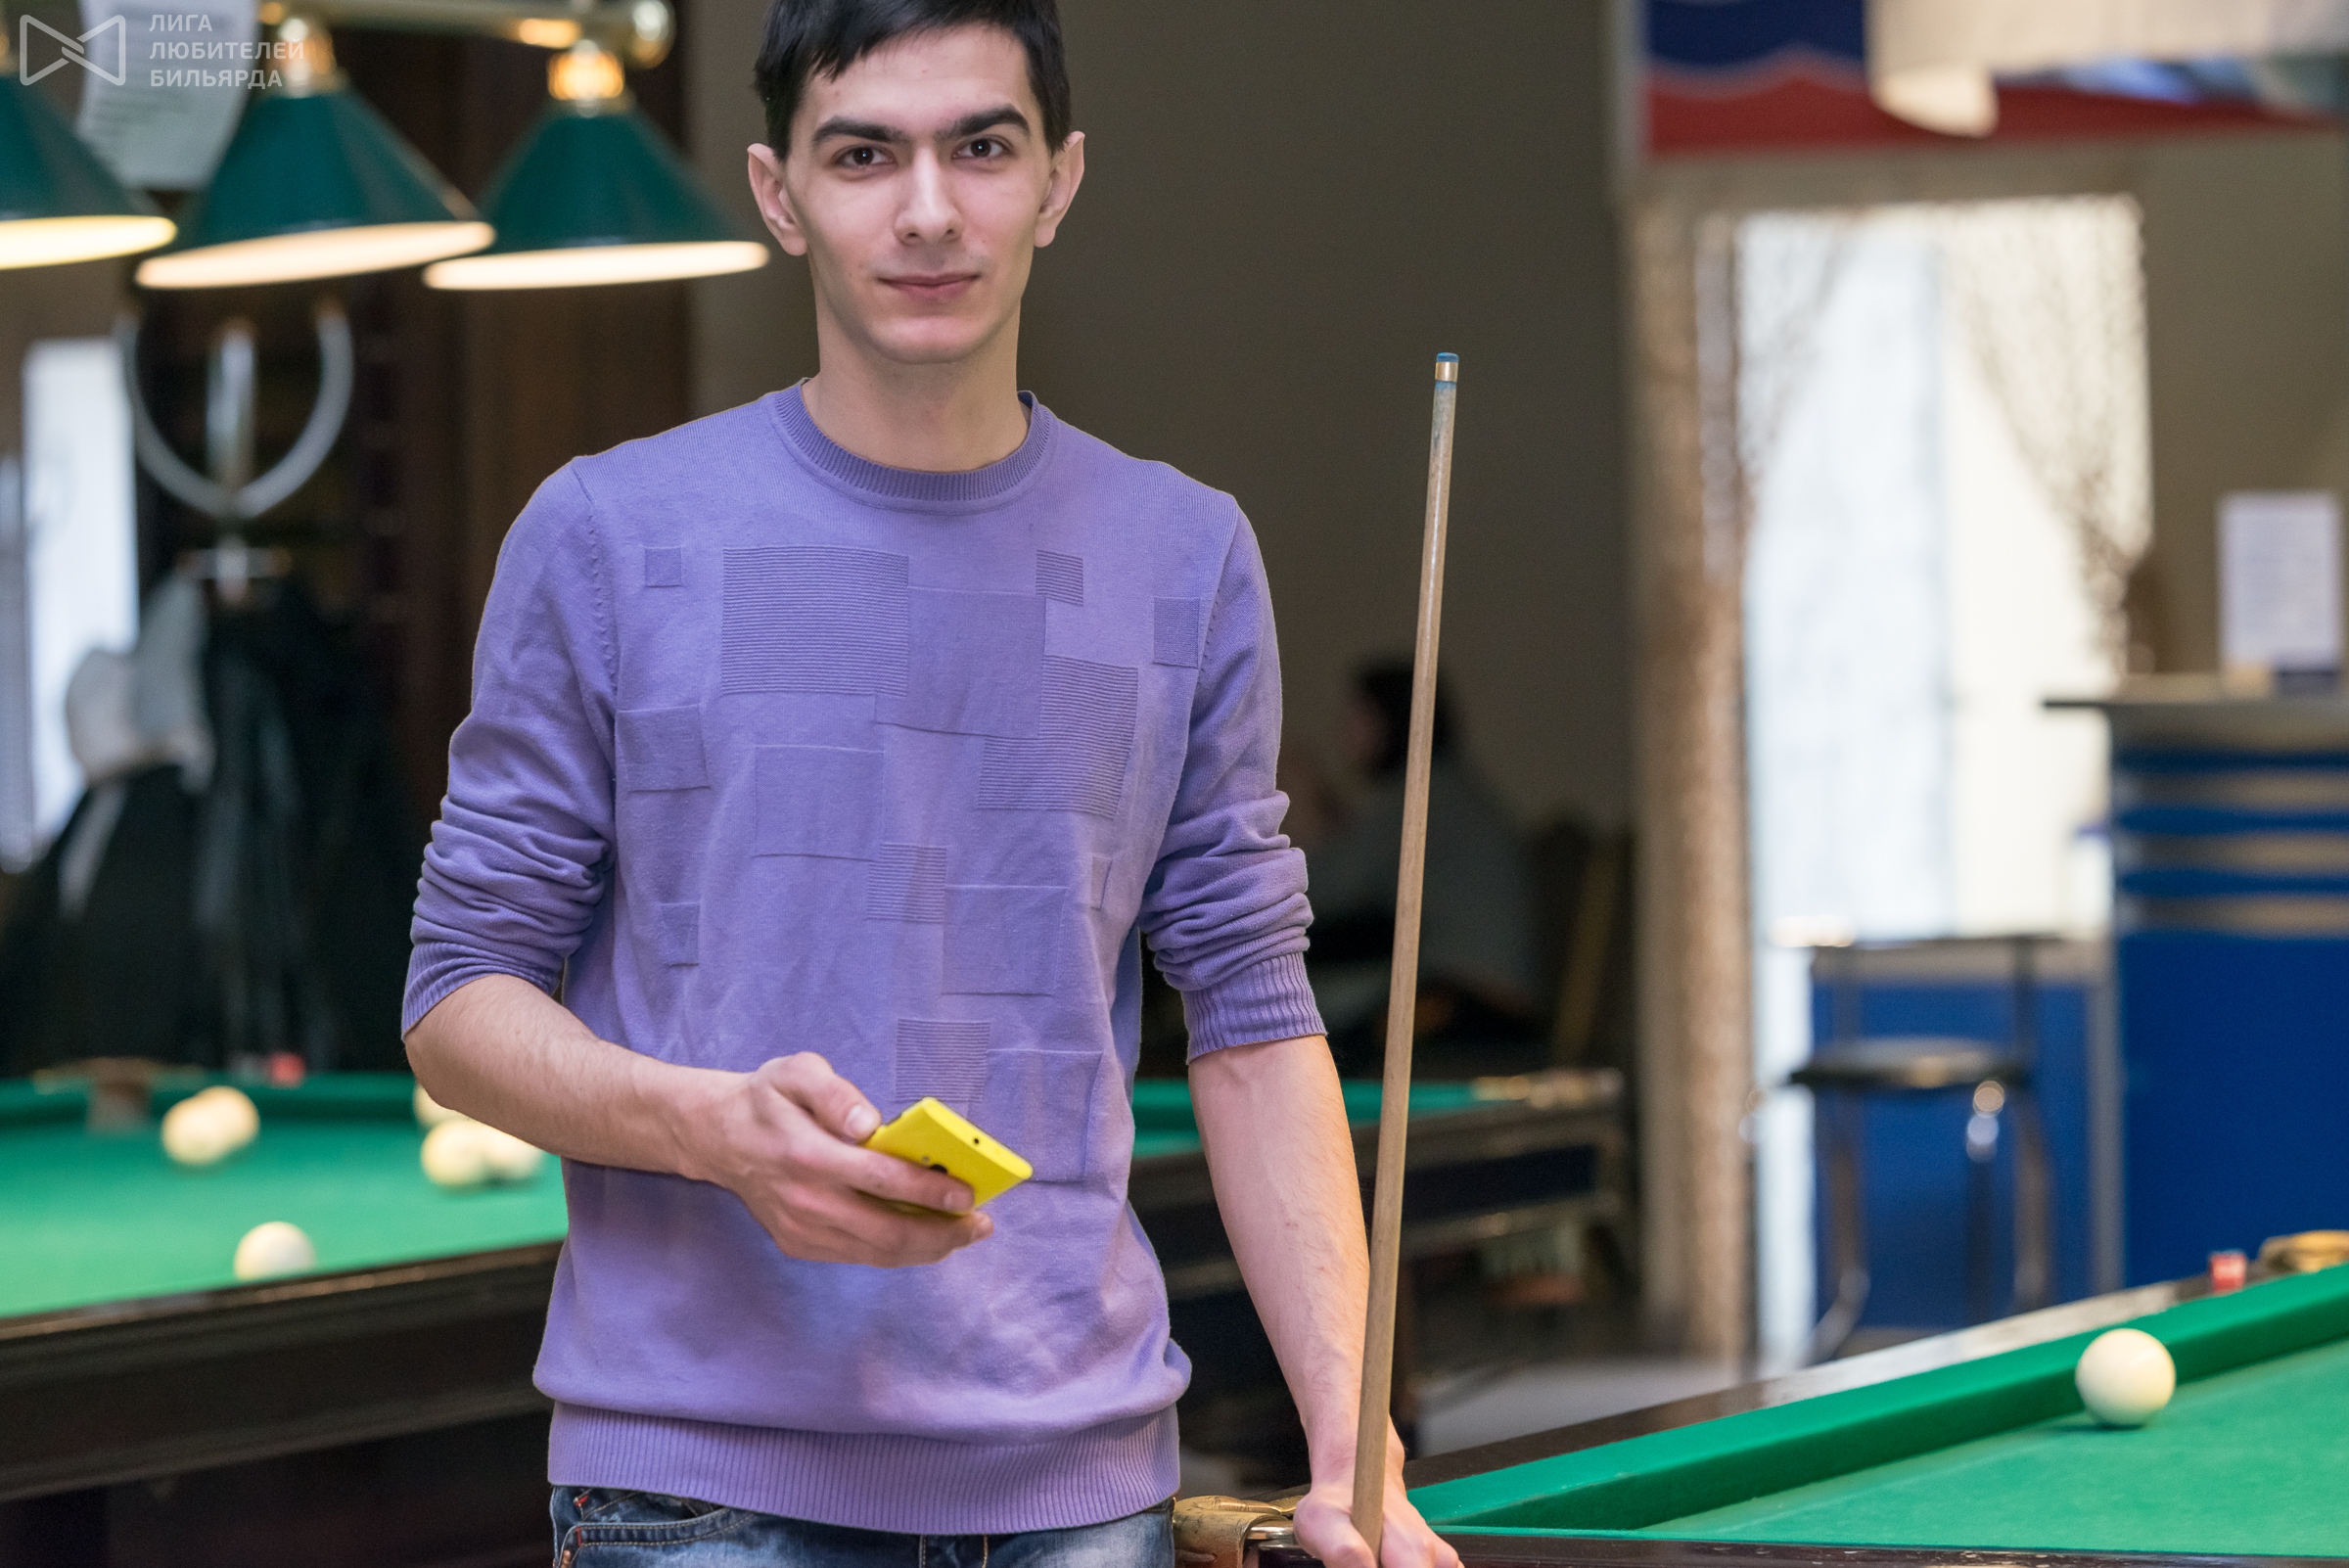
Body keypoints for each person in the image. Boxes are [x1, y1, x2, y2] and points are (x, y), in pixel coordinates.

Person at [399, 3, 1459, 1565]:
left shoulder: (1187, 554)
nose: (926, 209)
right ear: (778, 195)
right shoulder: (607, 536)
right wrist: (713, 1127)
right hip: (698, 1490)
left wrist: (1350, 1436)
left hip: (1081, 1481)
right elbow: (456, 999)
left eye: (981, 147)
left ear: (1059, 179)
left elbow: (1250, 1015)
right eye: (862, 155)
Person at [1302, 661, 1542, 1077]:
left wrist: (1302, 805)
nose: (1344, 734)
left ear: (1391, 722)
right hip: (1468, 994)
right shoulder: (1442, 788)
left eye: (1358, 718)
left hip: (1475, 1003)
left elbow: (1323, 886)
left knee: (1332, 1052)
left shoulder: (1419, 794)